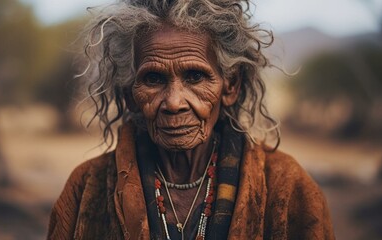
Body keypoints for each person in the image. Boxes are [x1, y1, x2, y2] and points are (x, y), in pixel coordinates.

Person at [47, 0, 335, 239]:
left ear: (230, 86)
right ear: (130, 94)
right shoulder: (87, 187)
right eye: (153, 78)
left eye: (195, 76)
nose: (173, 102)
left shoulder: (286, 185)